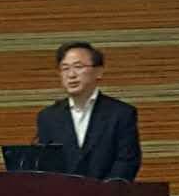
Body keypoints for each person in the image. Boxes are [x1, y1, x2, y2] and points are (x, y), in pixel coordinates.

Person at [35, 41, 142, 181]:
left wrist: (104, 191)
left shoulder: (121, 113)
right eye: (65, 68)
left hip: (108, 193)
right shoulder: (48, 117)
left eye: (78, 67)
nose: (71, 74)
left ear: (98, 72)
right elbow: (45, 165)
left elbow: (127, 161)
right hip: (62, 193)